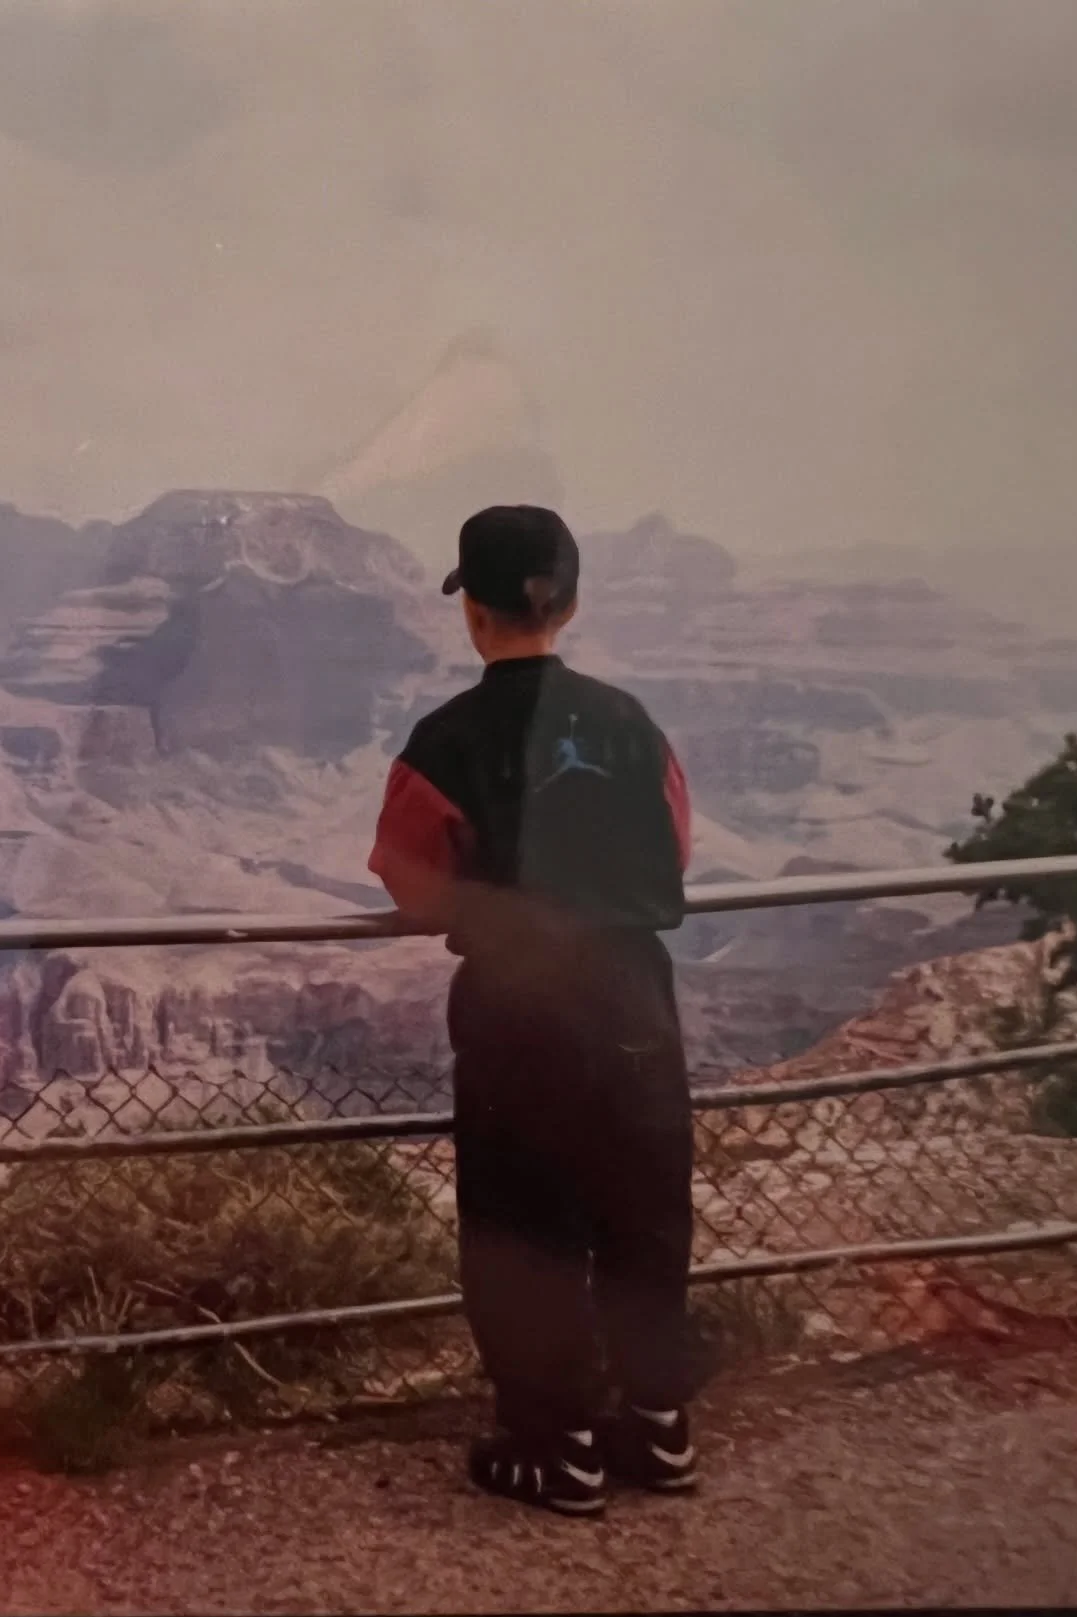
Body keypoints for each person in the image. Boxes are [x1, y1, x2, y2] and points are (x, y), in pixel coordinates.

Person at [368, 505, 698, 1517]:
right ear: (573, 600)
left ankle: (555, 1449)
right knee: (644, 1209)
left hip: (520, 1009)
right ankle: (658, 1429)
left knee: (524, 1223)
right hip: (635, 996)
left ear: (471, 611)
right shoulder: (633, 723)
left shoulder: (445, 739)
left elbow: (415, 890)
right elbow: (674, 850)